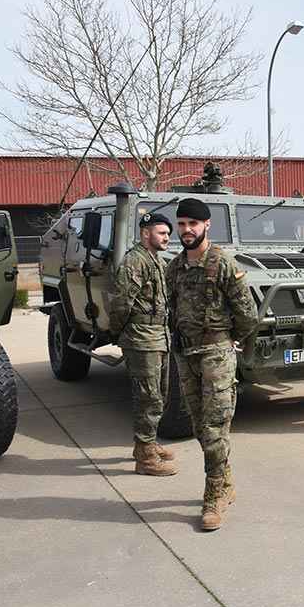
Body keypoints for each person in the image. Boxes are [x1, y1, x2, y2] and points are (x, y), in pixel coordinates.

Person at [165, 198, 260, 531]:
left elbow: (248, 314)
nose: (187, 230)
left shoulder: (222, 263)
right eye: (182, 224)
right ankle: (226, 480)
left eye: (193, 223)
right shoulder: (174, 268)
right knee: (198, 426)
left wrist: (228, 340)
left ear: (207, 226)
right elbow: (172, 309)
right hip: (185, 355)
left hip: (217, 355)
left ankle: (213, 496)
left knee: (216, 427)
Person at [109, 212, 178, 477]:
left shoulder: (155, 260)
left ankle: (146, 444)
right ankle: (146, 459)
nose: (167, 238)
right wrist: (122, 334)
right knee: (148, 397)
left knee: (159, 393)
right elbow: (120, 303)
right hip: (141, 337)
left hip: (158, 335)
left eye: (168, 234)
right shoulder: (134, 261)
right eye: (162, 233)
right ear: (145, 233)